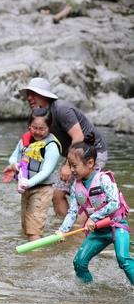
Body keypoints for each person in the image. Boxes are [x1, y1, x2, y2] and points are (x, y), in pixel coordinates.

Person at [20, 77, 108, 217]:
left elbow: (78, 137)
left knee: (86, 195)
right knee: (57, 194)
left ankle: (96, 226)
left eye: (34, 94)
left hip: (93, 152)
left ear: (45, 96)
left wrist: (67, 166)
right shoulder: (41, 116)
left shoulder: (61, 109)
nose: (29, 98)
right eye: (28, 95)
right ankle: (66, 231)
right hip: (73, 155)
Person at [56, 136, 132, 284]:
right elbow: (72, 212)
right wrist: (63, 230)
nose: (71, 170)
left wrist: (94, 217)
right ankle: (89, 291)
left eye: (74, 165)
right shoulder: (75, 186)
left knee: (124, 260)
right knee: (79, 262)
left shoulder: (103, 179)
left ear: (90, 163)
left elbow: (115, 203)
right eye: (69, 165)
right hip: (98, 232)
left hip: (116, 226)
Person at [2, 108, 62, 241]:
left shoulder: (51, 145)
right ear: (29, 126)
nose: (38, 132)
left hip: (42, 189)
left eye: (42, 128)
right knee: (25, 225)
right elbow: (13, 157)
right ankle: (29, 257)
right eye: (34, 127)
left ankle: (35, 258)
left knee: (33, 228)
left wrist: (27, 183)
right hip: (26, 188)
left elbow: (46, 171)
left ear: (49, 128)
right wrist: (14, 165)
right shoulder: (25, 140)